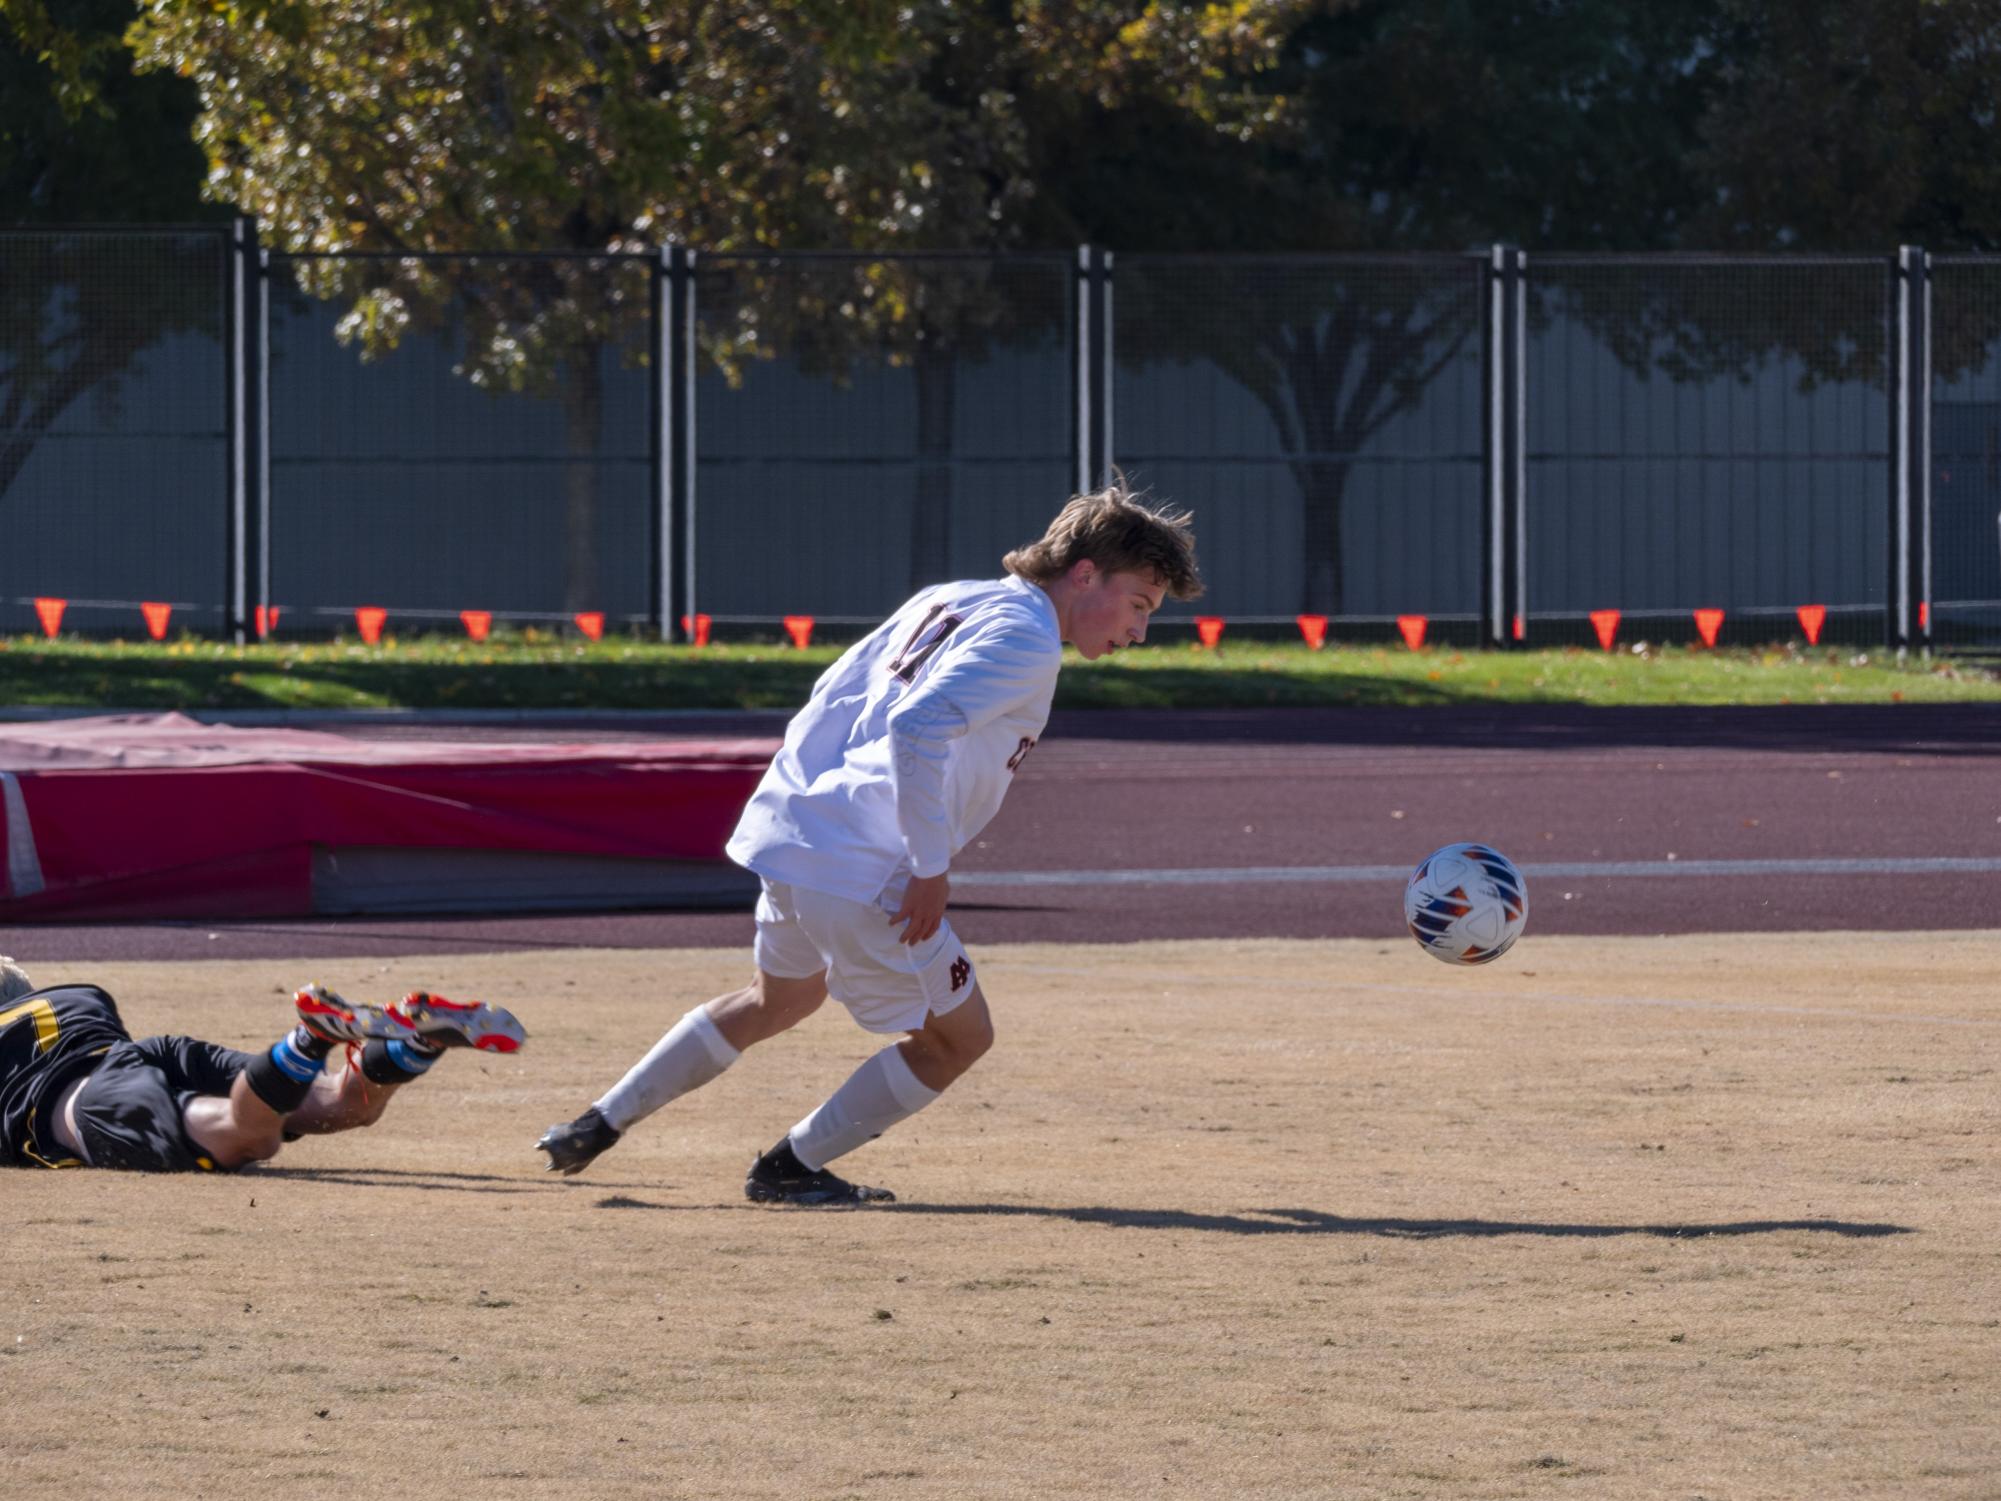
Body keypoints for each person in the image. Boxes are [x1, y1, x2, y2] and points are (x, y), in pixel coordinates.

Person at [537, 480, 1202, 1204]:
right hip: (866, 865)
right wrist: (927, 867)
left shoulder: (951, 597)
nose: (1138, 629)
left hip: (797, 840)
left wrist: (791, 811)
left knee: (776, 999)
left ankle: (598, 1121)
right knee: (958, 1040)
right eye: (1138, 603)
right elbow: (916, 726)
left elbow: (833, 692)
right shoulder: (1028, 637)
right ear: (1084, 573)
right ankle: (790, 1167)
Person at [0, 955, 525, 1172]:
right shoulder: (72, 997)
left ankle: (310, 1037)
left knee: (249, 1137)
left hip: (84, 1101)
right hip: (144, 1054)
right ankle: (416, 1045)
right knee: (340, 1104)